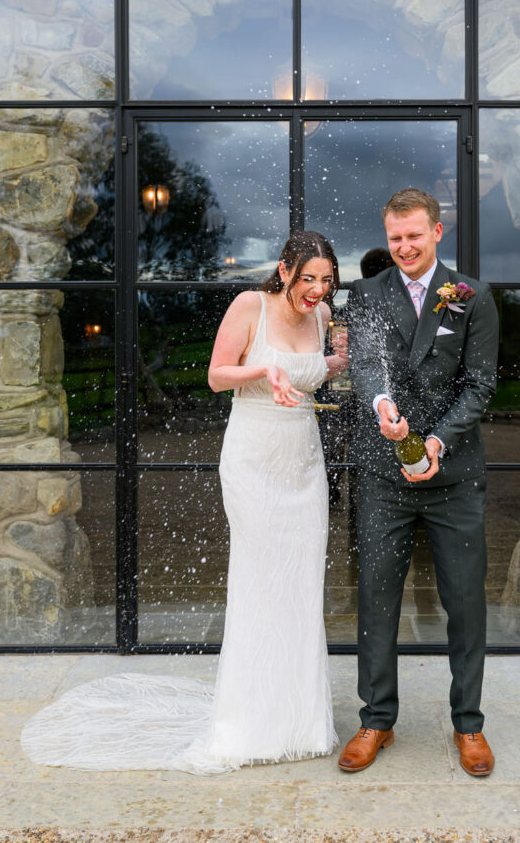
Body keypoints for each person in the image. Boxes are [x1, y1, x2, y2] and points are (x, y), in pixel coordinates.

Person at [21, 231, 348, 774]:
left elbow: (317, 372)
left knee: (300, 581)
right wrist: (264, 370)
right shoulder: (250, 305)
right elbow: (217, 376)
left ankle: (300, 721)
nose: (317, 288)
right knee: (260, 581)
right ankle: (247, 723)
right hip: (254, 462)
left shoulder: (322, 317)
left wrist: (335, 363)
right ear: (285, 268)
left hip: (304, 465)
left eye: (326, 280)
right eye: (308, 277)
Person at [338, 188, 499, 777]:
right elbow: (365, 366)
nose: (404, 247)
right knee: (377, 600)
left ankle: (469, 724)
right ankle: (376, 719)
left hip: (454, 477)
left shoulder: (472, 296)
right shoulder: (366, 294)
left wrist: (435, 442)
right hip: (385, 477)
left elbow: (480, 385)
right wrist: (382, 406)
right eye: (394, 237)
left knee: (465, 602)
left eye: (413, 235)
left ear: (436, 232)